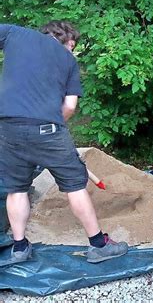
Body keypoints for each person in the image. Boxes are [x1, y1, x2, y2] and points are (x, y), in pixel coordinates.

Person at [0, 21, 128, 265]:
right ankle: (99, 245)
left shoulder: (14, 34)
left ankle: (19, 248)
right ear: (68, 41)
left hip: (7, 128)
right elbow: (69, 107)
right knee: (74, 185)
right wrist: (53, 129)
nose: (73, 50)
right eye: (74, 45)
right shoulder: (68, 60)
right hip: (48, 130)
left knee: (16, 189)